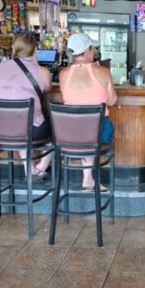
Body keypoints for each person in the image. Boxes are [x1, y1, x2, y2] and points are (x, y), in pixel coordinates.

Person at [59, 33, 118, 191]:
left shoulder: (63, 74)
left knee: (84, 130)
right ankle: (87, 179)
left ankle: (88, 178)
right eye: (92, 48)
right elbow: (112, 101)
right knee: (96, 131)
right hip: (98, 133)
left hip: (70, 134)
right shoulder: (103, 72)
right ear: (87, 50)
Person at [0, 33, 53, 177]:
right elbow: (48, 88)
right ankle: (41, 167)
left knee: (19, 122)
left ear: (14, 48)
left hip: (1, 128)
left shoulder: (1, 67)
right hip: (29, 130)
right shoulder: (42, 72)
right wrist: (35, 62)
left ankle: (29, 168)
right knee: (56, 127)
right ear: (35, 50)